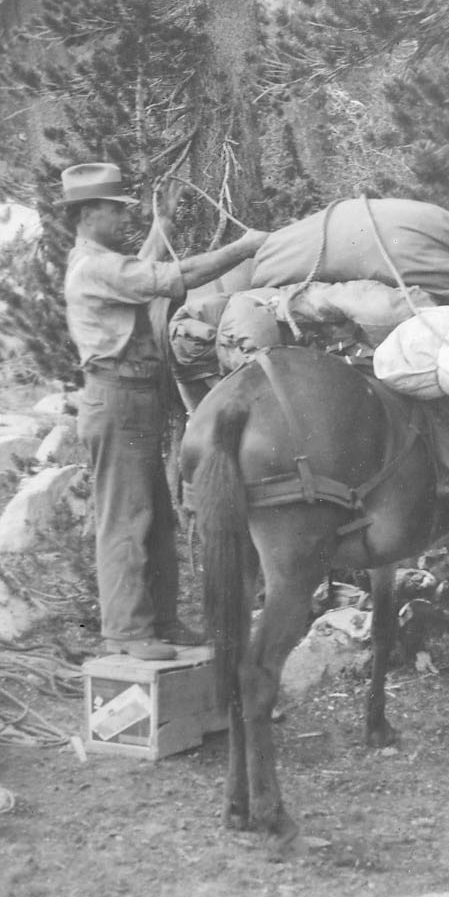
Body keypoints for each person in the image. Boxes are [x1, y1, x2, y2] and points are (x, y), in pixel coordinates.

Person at [62, 162, 267, 661]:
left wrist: (164, 225)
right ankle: (127, 631)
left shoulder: (100, 262)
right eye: (114, 210)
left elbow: (143, 270)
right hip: (117, 399)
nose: (122, 218)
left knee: (153, 517)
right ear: (87, 213)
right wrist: (245, 247)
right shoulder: (95, 267)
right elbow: (175, 277)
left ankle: (162, 621)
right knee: (127, 518)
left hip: (130, 399)